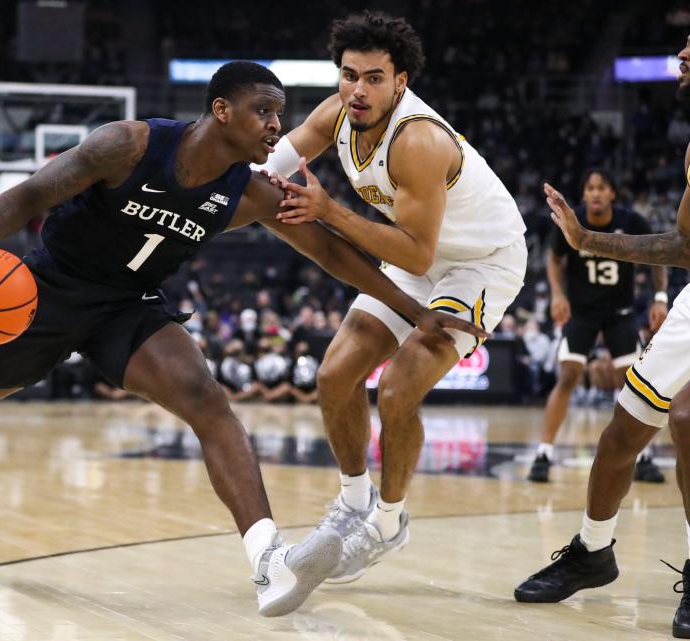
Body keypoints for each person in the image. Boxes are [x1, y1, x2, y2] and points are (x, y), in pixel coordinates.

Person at [0, 61, 486, 617]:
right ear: (221, 110)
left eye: (280, 115)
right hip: (46, 294)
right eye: (263, 111)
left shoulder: (249, 193)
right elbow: (31, 193)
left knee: (209, 403)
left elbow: (328, 251)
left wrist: (412, 306)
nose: (276, 127)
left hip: (128, 308)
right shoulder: (125, 146)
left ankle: (270, 560)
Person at [257, 11, 526, 582]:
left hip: (478, 262)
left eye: (374, 77)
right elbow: (264, 170)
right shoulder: (336, 115)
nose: (358, 89)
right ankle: (353, 502)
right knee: (334, 376)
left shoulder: (419, 141)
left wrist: (329, 211)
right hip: (413, 250)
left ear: (400, 81)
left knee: (399, 390)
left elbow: (418, 256)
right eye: (349, 74)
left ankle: (387, 521)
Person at [514, 35, 690, 638]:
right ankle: (593, 551)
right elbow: (686, 245)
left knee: (688, 421)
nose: (682, 58)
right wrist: (589, 242)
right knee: (623, 429)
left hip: (633, 310)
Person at [528, 169, 668, 483]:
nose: (595, 193)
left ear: (612, 194)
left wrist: (659, 297)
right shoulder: (573, 220)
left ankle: (642, 456)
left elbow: (659, 255)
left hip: (620, 312)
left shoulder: (631, 222)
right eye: (590, 187)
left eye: (601, 187)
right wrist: (557, 293)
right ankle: (544, 453)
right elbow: (553, 257)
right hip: (582, 311)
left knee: (631, 384)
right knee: (567, 377)